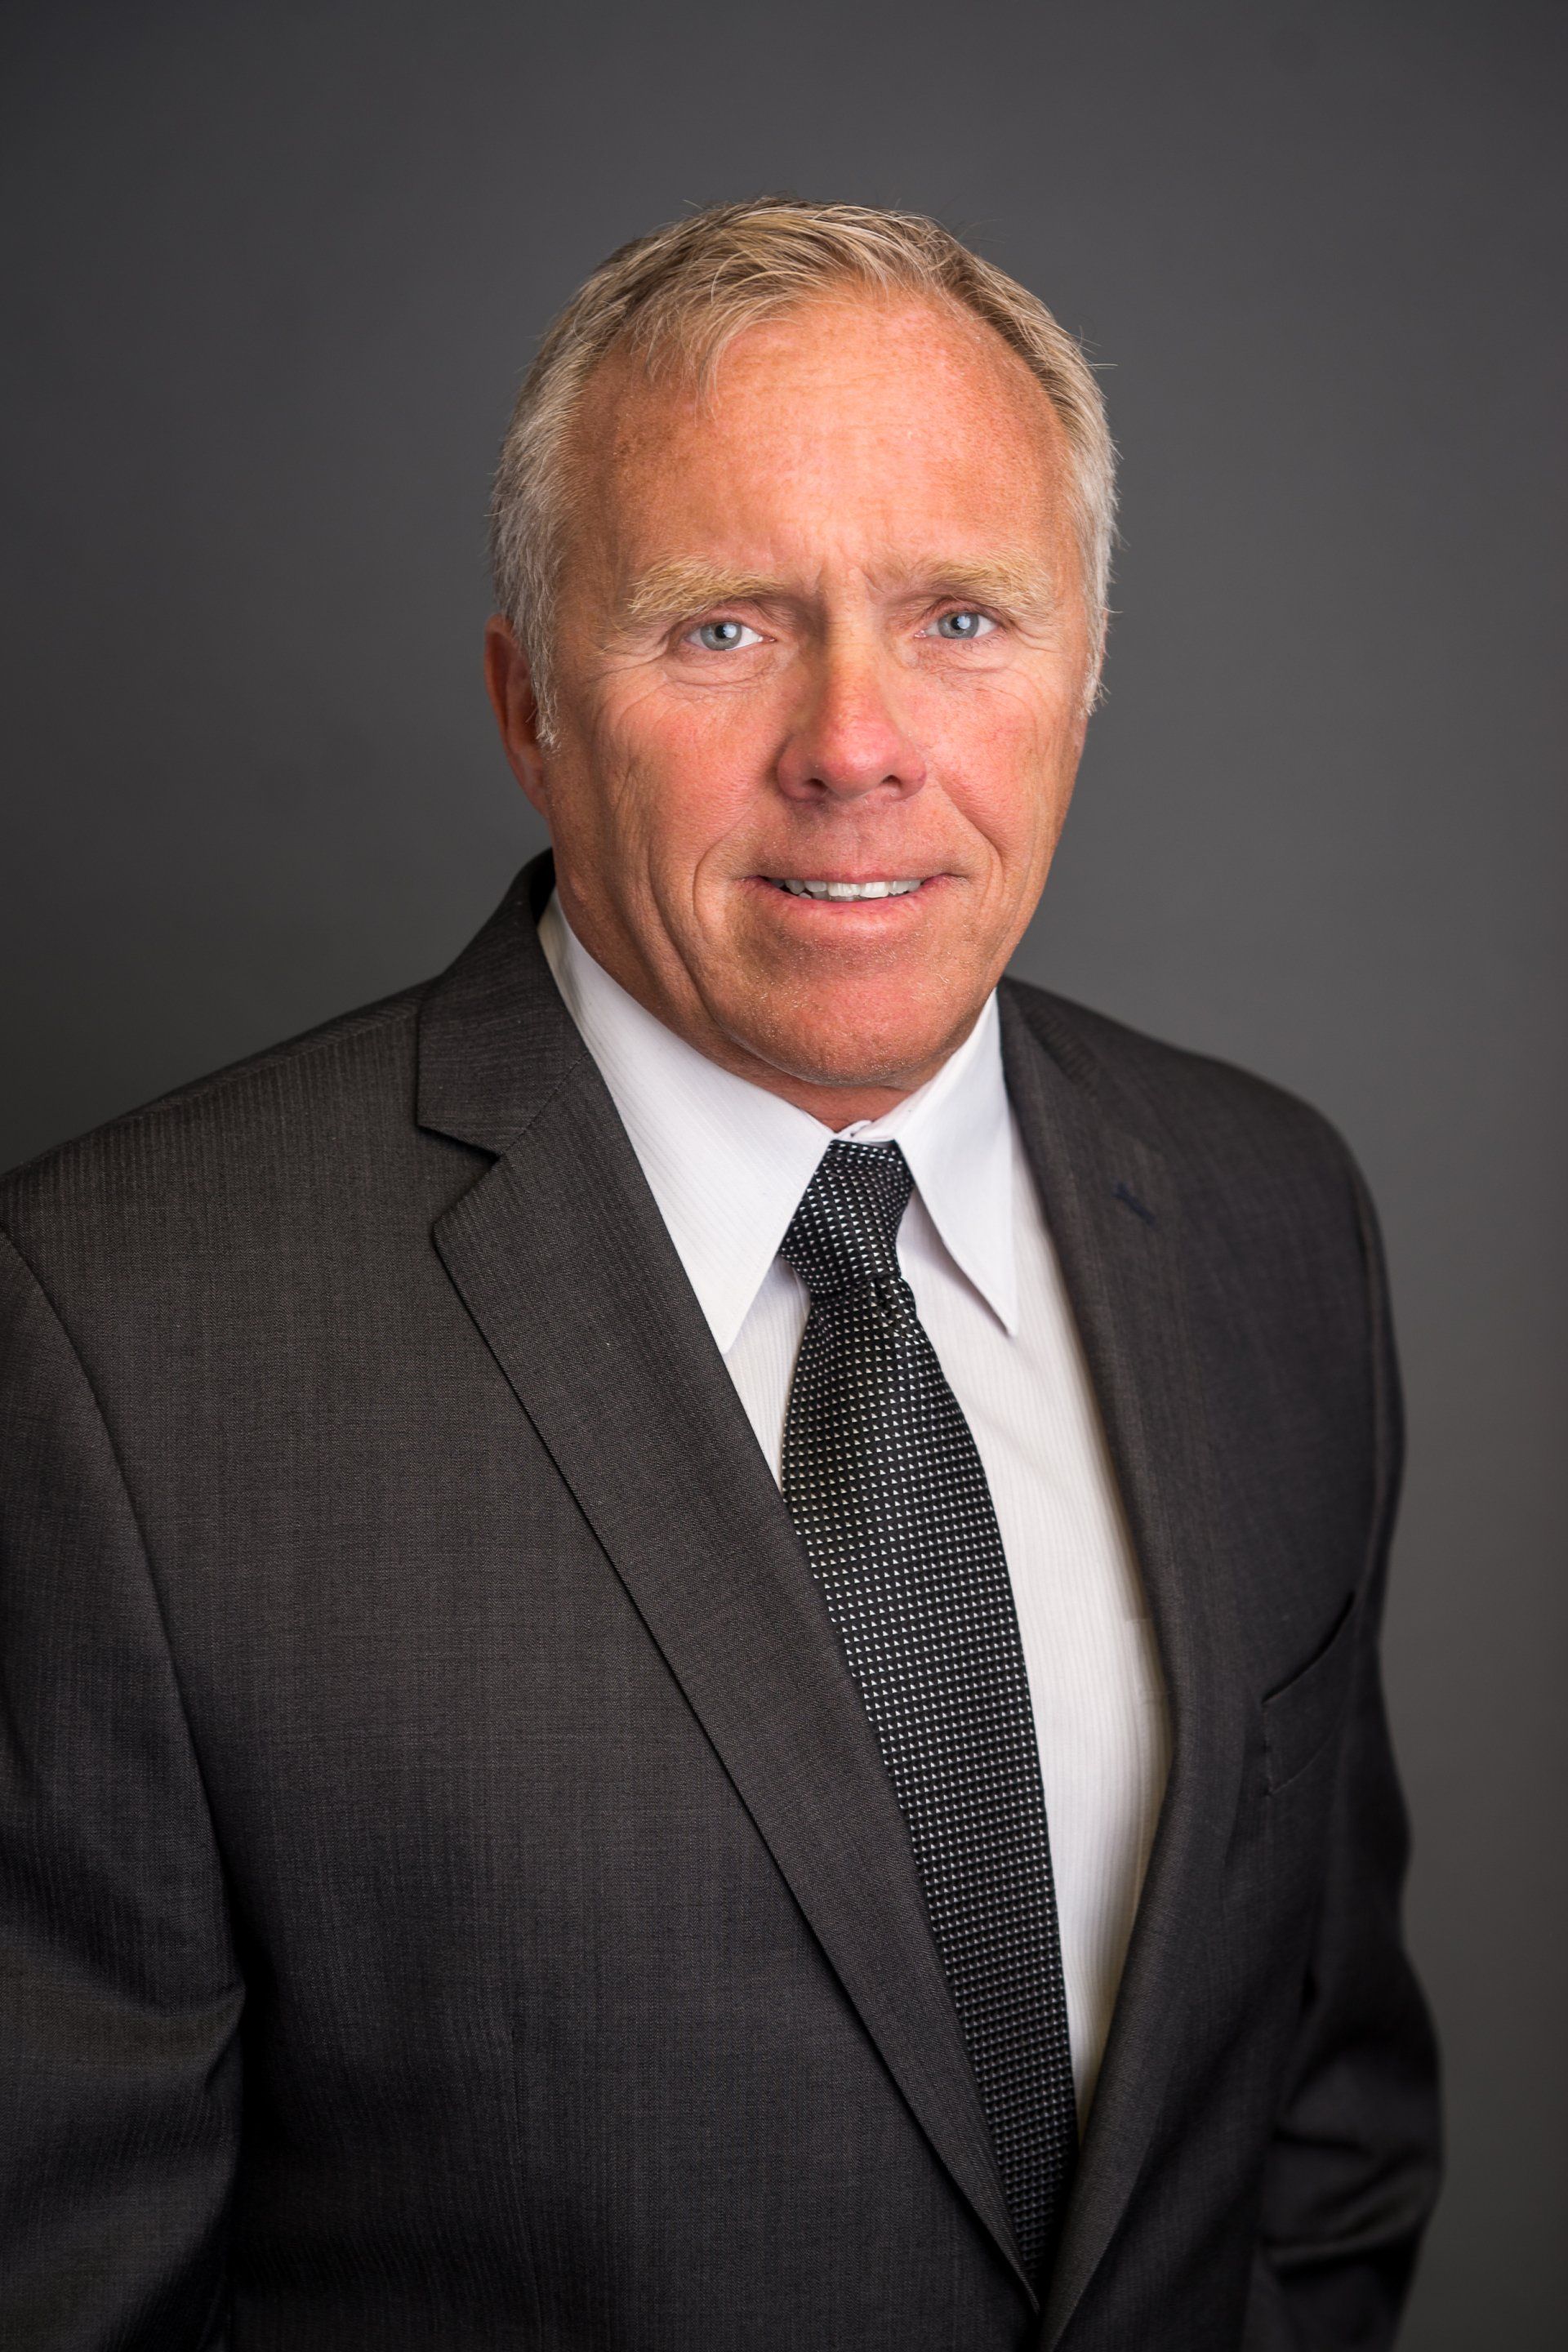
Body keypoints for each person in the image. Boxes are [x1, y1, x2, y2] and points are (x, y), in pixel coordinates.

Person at [0, 198, 1439, 2350]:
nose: (858, 743)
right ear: (528, 705)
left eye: (964, 616)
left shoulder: (1267, 1216)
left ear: (1088, 669)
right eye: (721, 629)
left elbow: (1316, 2110)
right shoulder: (114, 1337)